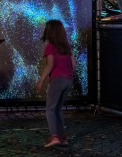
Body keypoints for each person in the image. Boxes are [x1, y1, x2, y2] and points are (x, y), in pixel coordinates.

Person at [35, 19, 75, 148]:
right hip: (68, 80)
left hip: (57, 80)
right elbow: (74, 65)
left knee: (50, 109)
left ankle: (55, 137)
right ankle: (62, 137)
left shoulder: (50, 46)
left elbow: (50, 64)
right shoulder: (66, 47)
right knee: (57, 109)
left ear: (50, 31)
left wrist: (41, 80)